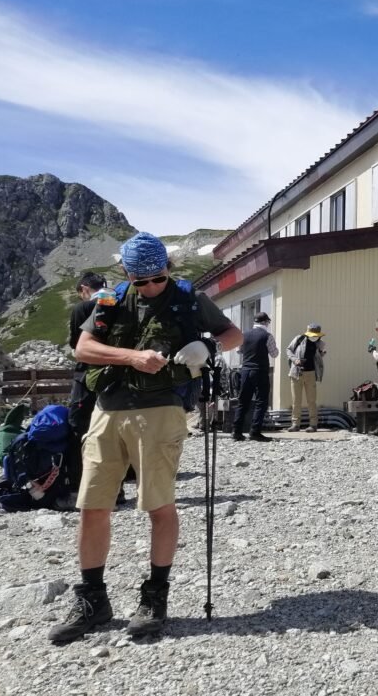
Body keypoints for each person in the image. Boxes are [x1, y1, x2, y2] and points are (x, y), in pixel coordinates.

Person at [49, 232, 242, 643]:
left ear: (167, 269)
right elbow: (83, 348)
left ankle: (155, 596)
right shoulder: (109, 301)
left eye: (157, 278)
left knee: (158, 503)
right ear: (126, 275)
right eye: (141, 282)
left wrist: (205, 346)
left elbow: (233, 335)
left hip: (161, 409)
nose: (150, 287)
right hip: (107, 409)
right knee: (93, 505)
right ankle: (92, 599)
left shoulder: (191, 299)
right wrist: (133, 357)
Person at [65, 272, 106, 502]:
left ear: (84, 289)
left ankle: (79, 485)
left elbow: (75, 344)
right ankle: (115, 489)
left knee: (78, 426)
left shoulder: (82, 309)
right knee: (108, 430)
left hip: (88, 374)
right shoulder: (118, 303)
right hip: (116, 375)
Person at [231, 312, 278, 442]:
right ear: (266, 322)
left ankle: (236, 431)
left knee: (243, 401)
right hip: (260, 371)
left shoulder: (244, 335)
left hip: (245, 370)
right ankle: (255, 432)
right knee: (261, 402)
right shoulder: (267, 336)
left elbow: (238, 350)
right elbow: (274, 354)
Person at [286, 323, 326, 432]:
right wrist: (295, 360)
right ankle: (295, 424)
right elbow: (288, 350)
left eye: (316, 335)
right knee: (296, 400)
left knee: (311, 400)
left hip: (311, 373)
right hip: (296, 372)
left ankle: (313, 424)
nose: (314, 337)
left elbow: (318, 357)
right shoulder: (299, 339)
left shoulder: (320, 343)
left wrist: (321, 354)